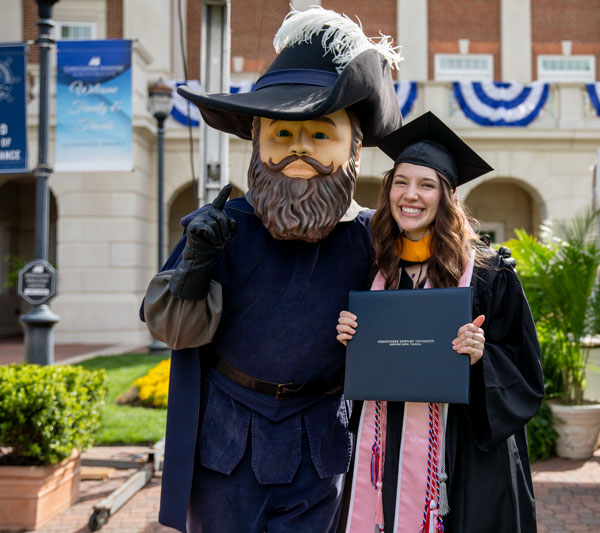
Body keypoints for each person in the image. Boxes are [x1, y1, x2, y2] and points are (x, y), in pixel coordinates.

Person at [140, 7, 404, 532]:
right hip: (227, 440)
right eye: (282, 134)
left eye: (319, 134)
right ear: (258, 144)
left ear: (353, 146)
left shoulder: (371, 236)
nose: (299, 149)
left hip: (321, 441)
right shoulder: (220, 226)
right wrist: (196, 262)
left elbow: (418, 309)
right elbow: (168, 326)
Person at [336, 112, 545, 533]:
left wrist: (480, 357)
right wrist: (348, 338)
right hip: (383, 444)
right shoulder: (371, 267)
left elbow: (525, 372)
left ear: (446, 195)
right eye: (401, 182)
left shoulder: (489, 273)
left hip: (461, 453)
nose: (410, 195)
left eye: (426, 185)